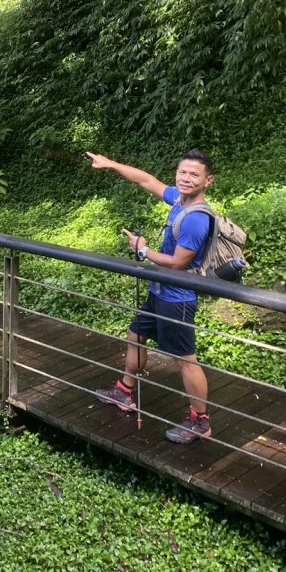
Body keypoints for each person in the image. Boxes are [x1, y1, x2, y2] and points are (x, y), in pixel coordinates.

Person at [86, 149, 215, 444]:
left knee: (185, 361)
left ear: (208, 181)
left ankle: (200, 421)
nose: (186, 178)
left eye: (194, 174)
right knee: (135, 336)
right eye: (182, 172)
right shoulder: (179, 201)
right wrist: (111, 163)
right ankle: (124, 392)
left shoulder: (197, 219)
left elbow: (179, 263)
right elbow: (146, 181)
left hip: (177, 298)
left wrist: (143, 251)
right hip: (159, 291)